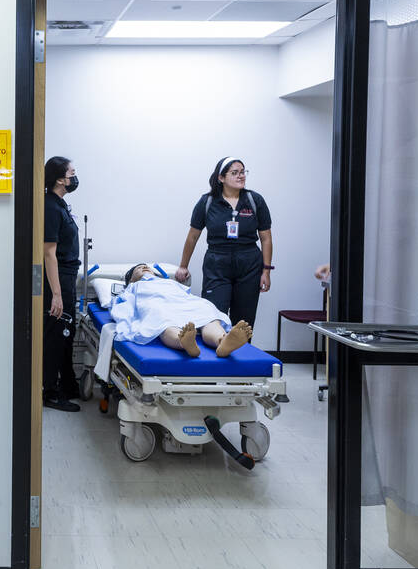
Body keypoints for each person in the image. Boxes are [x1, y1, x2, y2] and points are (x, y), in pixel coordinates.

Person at [174, 156, 274, 328]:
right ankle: (216, 351)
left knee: (244, 322)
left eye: (243, 172)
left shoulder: (254, 200)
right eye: (234, 173)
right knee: (214, 317)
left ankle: (241, 353)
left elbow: (266, 238)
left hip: (249, 264)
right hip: (217, 264)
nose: (241, 176)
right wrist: (183, 265)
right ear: (221, 178)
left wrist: (266, 271)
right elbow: (192, 236)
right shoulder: (207, 202)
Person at [114, 264, 252, 357]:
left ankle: (222, 341)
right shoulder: (133, 287)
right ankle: (184, 341)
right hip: (157, 304)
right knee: (162, 320)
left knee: (207, 313)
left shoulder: (169, 282)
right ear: (131, 278)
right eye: (138, 268)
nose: (144, 267)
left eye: (147, 267)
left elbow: (186, 295)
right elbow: (123, 306)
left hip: (185, 303)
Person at [42, 156, 81, 412]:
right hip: (59, 279)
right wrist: (56, 294)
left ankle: (66, 384)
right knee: (56, 334)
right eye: (71, 173)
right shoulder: (50, 207)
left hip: (67, 276)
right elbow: (48, 252)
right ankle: (51, 391)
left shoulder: (61, 205)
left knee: (67, 332)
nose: (75, 177)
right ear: (59, 179)